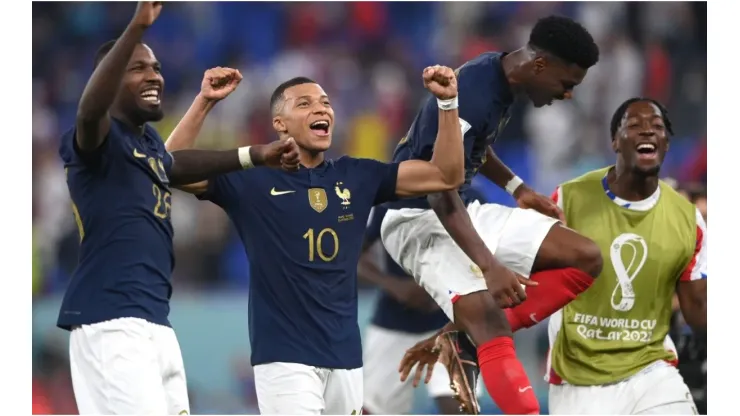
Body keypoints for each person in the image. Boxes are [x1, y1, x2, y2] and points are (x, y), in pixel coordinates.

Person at [167, 66, 467, 414]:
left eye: (325, 102)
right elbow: (167, 165)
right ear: (280, 124)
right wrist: (204, 102)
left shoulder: (357, 175)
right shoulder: (251, 179)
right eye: (305, 104)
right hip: (284, 358)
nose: (321, 109)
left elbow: (447, 175)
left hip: (346, 358)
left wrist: (448, 104)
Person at [58, 3, 299, 414]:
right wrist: (136, 25)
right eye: (138, 68)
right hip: (111, 322)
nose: (154, 75)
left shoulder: (144, 144)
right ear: (111, 80)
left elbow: (171, 163)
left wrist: (251, 149)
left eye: (156, 67)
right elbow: (89, 110)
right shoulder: (97, 142)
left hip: (156, 322)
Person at [380, 15, 601, 414]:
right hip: (415, 219)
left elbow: (474, 148)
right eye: (567, 84)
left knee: (586, 256)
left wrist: (520, 189)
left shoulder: (496, 73)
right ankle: (481, 335)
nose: (568, 95)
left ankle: (464, 338)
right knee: (493, 326)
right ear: (539, 65)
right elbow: (438, 191)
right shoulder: (476, 92)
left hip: (461, 209)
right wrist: (490, 266)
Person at [544, 98, 707, 414]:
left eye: (657, 127)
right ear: (615, 141)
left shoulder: (688, 219)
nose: (647, 131)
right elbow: (528, 279)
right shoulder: (568, 200)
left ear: (666, 143)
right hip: (579, 378)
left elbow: (698, 308)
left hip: (651, 370)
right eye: (634, 126)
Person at [360, 192, 486, 415]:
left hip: (453, 322)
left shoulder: (470, 199)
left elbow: (489, 257)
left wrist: (446, 286)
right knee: (374, 409)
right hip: (394, 323)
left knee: (460, 406)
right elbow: (353, 256)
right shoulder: (389, 200)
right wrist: (394, 285)